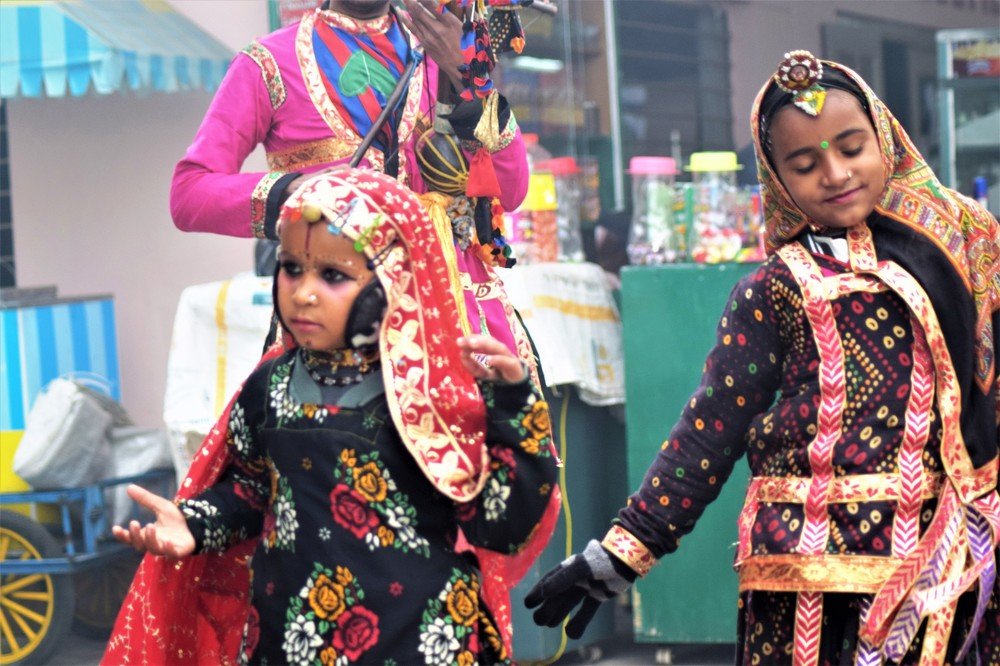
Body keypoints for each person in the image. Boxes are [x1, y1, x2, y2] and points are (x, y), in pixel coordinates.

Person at [524, 50, 999, 665]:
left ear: (885, 139)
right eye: (804, 164)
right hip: (806, 582)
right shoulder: (774, 290)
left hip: (945, 565)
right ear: (777, 179)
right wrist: (623, 551)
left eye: (852, 148)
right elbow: (709, 429)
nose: (835, 173)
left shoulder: (963, 245)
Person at [104, 170, 560, 664]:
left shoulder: (431, 388)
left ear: (394, 277)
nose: (303, 293)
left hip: (422, 645)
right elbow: (252, 491)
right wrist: (195, 524)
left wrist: (514, 406)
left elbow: (501, 528)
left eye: (333, 275)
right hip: (293, 644)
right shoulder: (269, 386)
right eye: (291, 268)